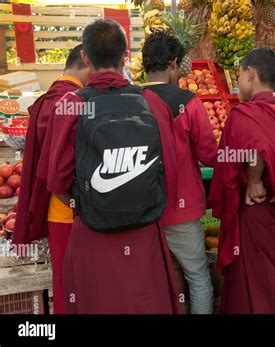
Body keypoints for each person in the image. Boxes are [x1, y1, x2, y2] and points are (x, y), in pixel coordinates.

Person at [47, 19, 180, 313]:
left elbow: (56, 180)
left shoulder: (71, 105)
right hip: (144, 235)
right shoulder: (152, 103)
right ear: (125, 57)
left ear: (85, 57)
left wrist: (90, 203)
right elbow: (170, 169)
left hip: (92, 236)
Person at [209, 48, 275, 314]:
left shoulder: (244, 114)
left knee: (251, 285)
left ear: (250, 74)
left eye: (240, 75)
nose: (237, 83)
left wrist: (254, 179)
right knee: (274, 284)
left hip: (255, 214)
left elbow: (257, 147)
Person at [141, 32, 217, 314]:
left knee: (150, 279)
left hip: (141, 209)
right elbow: (210, 153)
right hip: (181, 208)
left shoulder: (130, 99)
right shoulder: (189, 102)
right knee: (197, 275)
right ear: (173, 63)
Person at [13, 45, 90, 314]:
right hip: (68, 209)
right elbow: (61, 170)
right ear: (86, 60)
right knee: (78, 286)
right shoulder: (68, 100)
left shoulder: (51, 98)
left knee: (65, 284)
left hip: (56, 210)